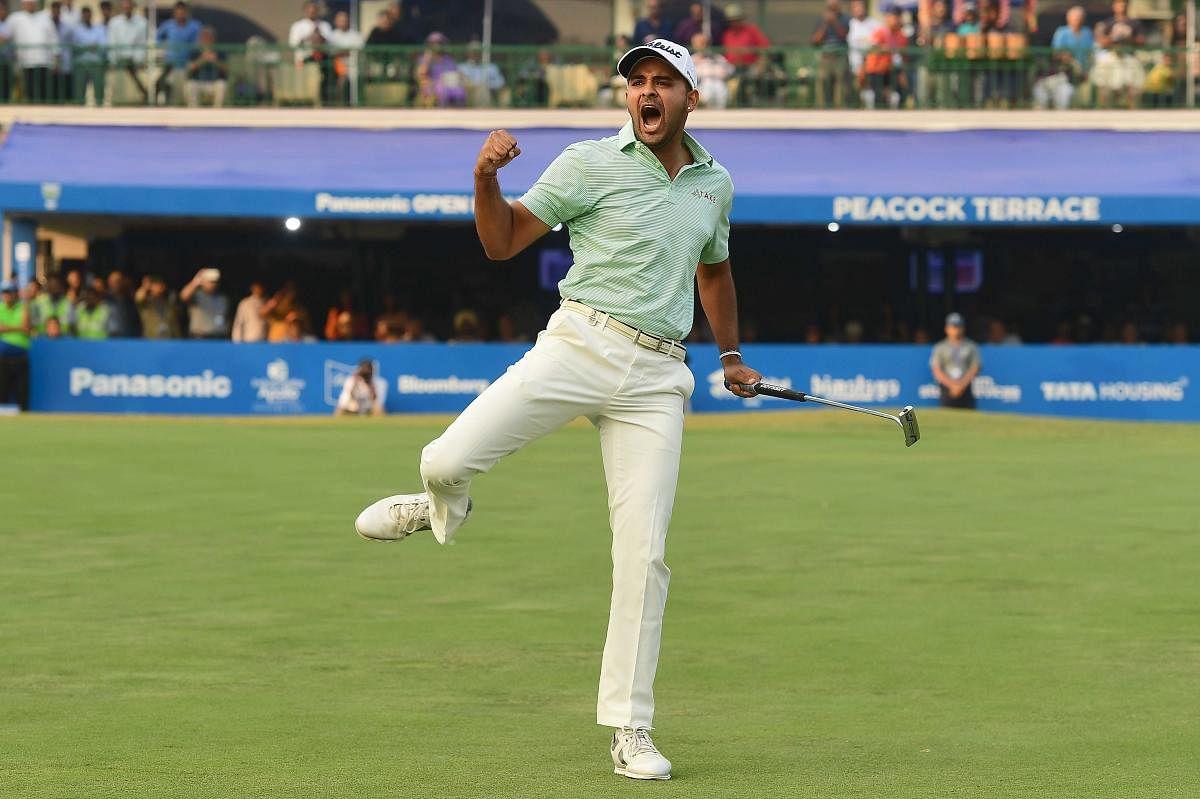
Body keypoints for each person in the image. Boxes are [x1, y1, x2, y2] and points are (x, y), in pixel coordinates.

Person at [353, 37, 762, 782]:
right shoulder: (587, 162)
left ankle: (631, 727)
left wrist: (730, 354)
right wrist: (484, 178)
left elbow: (716, 270)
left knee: (644, 554)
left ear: (690, 100)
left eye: (664, 83)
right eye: (637, 81)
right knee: (444, 460)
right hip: (578, 343)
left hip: (658, 377)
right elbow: (503, 241)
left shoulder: (715, 184)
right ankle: (439, 507)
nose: (647, 92)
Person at [1033, 6, 1091, 110]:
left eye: (1079, 17)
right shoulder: (1062, 32)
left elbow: (1091, 53)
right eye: (1074, 17)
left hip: (1083, 74)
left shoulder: (1087, 33)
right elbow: (1057, 52)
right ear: (1068, 18)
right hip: (1064, 75)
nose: (1077, 20)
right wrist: (1068, 60)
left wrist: (1085, 70)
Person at [1093, 0, 1145, 110]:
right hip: (1111, 57)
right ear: (1114, 6)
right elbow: (1101, 42)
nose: (1121, 6)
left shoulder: (1134, 23)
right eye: (1118, 3)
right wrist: (1113, 37)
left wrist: (1127, 37)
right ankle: (1103, 110)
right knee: (1103, 82)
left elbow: (1142, 41)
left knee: (1133, 84)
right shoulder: (1108, 23)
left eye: (1123, 3)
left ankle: (1133, 110)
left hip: (1129, 57)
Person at [8, 0, 58, 102]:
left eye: (32, 3)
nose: (30, 5)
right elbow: (6, 35)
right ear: (22, 5)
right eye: (27, 3)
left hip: (44, 61)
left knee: (44, 91)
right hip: (26, 62)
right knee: (29, 91)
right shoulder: (15, 18)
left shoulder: (45, 18)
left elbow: (53, 39)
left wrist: (56, 59)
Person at [930, 312, 981, 409]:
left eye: (959, 326)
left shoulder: (971, 346)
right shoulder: (940, 347)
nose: (956, 329)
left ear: (963, 328)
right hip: (946, 389)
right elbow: (936, 369)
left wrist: (961, 385)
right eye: (953, 326)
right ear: (947, 329)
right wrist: (952, 385)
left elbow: (975, 367)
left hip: (966, 389)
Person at [861, 7, 907, 109]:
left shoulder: (901, 34)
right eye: (893, 17)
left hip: (891, 69)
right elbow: (872, 46)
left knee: (901, 91)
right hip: (876, 69)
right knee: (879, 97)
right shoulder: (880, 32)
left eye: (898, 17)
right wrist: (885, 48)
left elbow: (902, 54)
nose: (896, 20)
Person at [154, 0, 200, 105]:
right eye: (178, 12)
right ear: (174, 12)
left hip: (188, 64)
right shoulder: (168, 25)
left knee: (186, 91)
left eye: (183, 11)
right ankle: (162, 108)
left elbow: (198, 44)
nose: (180, 14)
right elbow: (157, 39)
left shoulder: (195, 26)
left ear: (187, 12)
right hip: (170, 64)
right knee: (160, 83)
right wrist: (163, 48)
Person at [811, 0, 850, 108]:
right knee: (821, 81)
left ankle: (840, 108)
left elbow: (845, 36)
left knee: (840, 82)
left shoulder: (845, 18)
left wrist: (834, 22)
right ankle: (821, 107)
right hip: (825, 55)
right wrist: (825, 24)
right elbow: (815, 40)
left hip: (840, 54)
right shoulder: (821, 19)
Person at [107, 0, 147, 103]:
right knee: (119, 95)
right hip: (119, 63)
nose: (126, 6)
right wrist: (114, 61)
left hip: (134, 64)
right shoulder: (114, 22)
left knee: (135, 97)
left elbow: (141, 44)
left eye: (128, 3)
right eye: (124, 4)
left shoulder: (142, 22)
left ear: (133, 5)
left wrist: (137, 60)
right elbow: (112, 43)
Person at [0, 280, 31, 409]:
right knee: (2, 391)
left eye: (9, 292)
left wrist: (7, 327)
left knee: (22, 393)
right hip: (3, 358)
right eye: (4, 292)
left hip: (20, 358)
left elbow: (26, 327)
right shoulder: (0, 308)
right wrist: (18, 328)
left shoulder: (23, 307)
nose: (7, 295)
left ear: (15, 293)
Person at [416, 31, 463, 107]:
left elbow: (455, 74)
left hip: (449, 85)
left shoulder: (448, 59)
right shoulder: (424, 59)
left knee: (459, 91)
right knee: (441, 90)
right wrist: (427, 58)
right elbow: (421, 75)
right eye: (433, 43)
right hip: (432, 86)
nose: (436, 45)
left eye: (439, 42)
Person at [325, 10, 362, 105]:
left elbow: (358, 50)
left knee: (354, 78)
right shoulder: (331, 36)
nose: (343, 22)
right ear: (335, 21)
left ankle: (354, 103)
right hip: (336, 64)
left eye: (345, 20)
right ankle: (336, 103)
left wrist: (342, 52)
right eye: (340, 20)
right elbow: (331, 51)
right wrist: (345, 52)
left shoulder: (355, 35)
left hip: (353, 64)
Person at [180, 268, 229, 338]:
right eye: (210, 281)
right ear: (203, 281)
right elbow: (183, 296)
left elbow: (226, 317)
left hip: (218, 336)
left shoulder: (222, 298)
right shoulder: (196, 295)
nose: (213, 284)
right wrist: (195, 282)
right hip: (199, 336)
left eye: (215, 281)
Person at [70, 3, 104, 104]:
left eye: (88, 14)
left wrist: (85, 47)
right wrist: (90, 47)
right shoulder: (77, 30)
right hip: (82, 64)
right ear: (82, 16)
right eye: (84, 14)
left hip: (95, 63)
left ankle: (100, 108)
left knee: (99, 90)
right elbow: (75, 47)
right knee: (80, 91)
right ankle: (79, 108)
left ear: (91, 15)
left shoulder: (98, 28)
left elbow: (101, 46)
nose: (86, 16)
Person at [184, 25, 225, 106]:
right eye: (204, 36)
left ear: (213, 38)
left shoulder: (219, 51)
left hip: (214, 82)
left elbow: (226, 69)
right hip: (198, 82)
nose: (206, 39)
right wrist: (202, 59)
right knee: (190, 85)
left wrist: (215, 61)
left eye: (209, 36)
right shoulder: (195, 51)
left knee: (221, 85)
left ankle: (218, 113)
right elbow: (189, 69)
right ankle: (193, 113)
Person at [689, 32, 732, 108]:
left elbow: (730, 70)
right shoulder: (692, 59)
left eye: (704, 43)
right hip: (702, 84)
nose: (702, 46)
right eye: (699, 43)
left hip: (719, 82)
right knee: (708, 88)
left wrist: (722, 73)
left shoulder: (717, 57)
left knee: (720, 89)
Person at [459, 39, 505, 106]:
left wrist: (485, 85)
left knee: (482, 90)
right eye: (472, 51)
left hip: (487, 96)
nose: (475, 54)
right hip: (467, 97)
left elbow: (500, 83)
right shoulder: (461, 68)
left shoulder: (491, 67)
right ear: (468, 53)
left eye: (477, 51)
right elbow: (457, 84)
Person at [135, 274, 181, 338]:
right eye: (155, 285)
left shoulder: (171, 301)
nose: (158, 287)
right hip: (152, 339)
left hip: (171, 338)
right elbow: (138, 297)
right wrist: (145, 287)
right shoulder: (146, 302)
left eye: (160, 285)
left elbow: (182, 298)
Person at [105, 270, 140, 337]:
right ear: (108, 282)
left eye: (118, 281)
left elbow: (135, 321)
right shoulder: (104, 300)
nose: (115, 283)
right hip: (109, 339)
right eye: (112, 281)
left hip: (128, 339)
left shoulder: (130, 301)